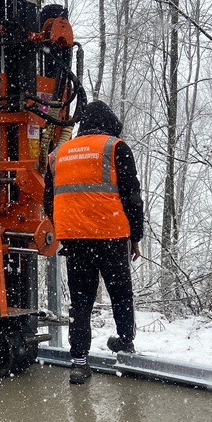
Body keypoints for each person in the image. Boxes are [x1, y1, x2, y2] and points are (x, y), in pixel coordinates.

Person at [44, 100, 144, 385]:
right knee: (121, 295)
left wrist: (68, 228)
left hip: (75, 241)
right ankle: (125, 342)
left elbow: (48, 203)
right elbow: (132, 198)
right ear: (110, 122)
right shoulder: (116, 147)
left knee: (81, 303)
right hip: (111, 237)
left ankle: (78, 364)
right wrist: (135, 236)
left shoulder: (57, 154)